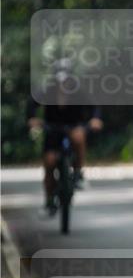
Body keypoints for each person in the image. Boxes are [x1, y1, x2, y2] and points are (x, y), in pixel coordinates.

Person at [26, 63, 103, 217]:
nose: (63, 83)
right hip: (53, 130)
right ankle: (49, 200)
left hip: (73, 126)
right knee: (49, 162)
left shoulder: (78, 91)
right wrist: (32, 118)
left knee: (78, 136)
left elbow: (94, 105)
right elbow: (32, 103)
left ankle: (78, 173)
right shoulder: (47, 91)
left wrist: (95, 119)